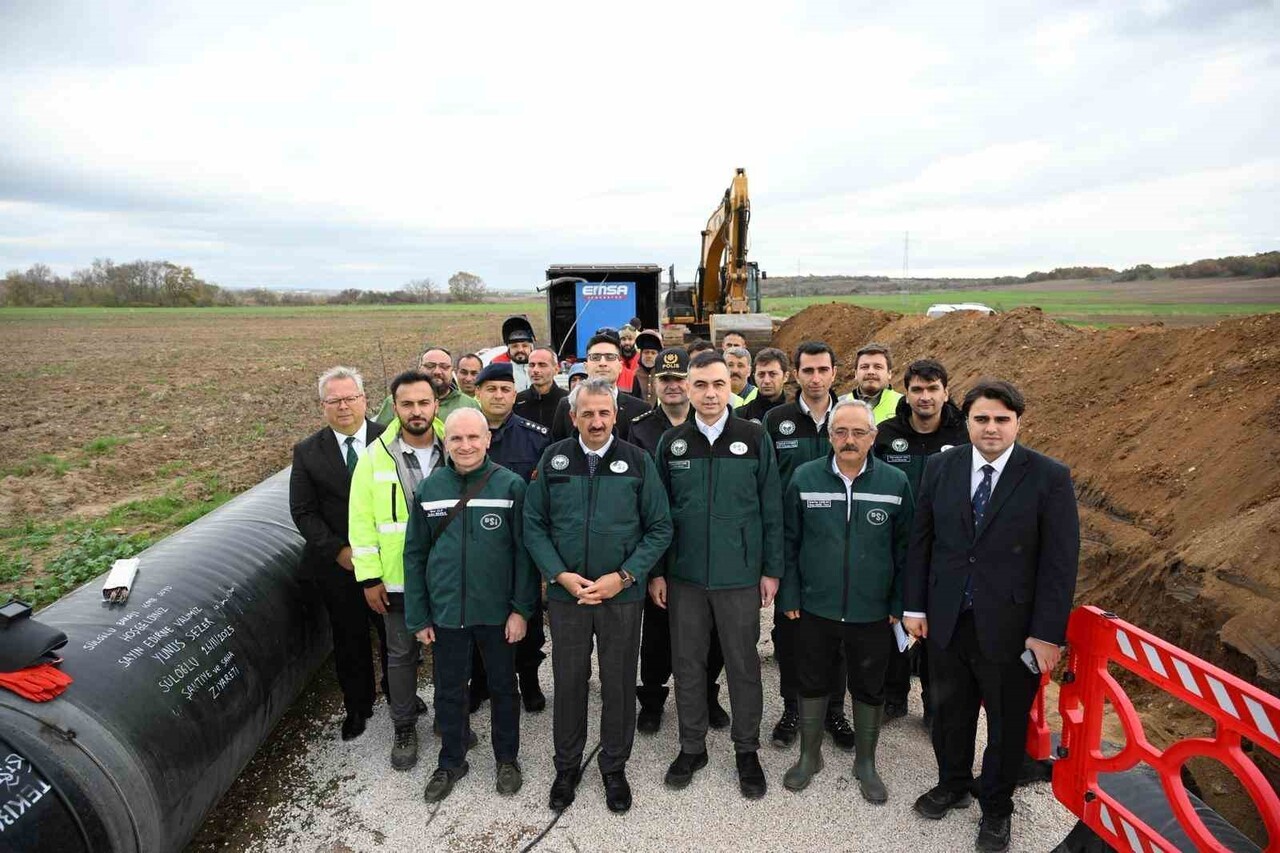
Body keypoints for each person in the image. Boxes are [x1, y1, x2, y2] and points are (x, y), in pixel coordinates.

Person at [903, 379, 1079, 852]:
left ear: (1018, 422)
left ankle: (997, 809)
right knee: (949, 712)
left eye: (1002, 419)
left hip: (1012, 630)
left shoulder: (1048, 477)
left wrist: (1046, 634)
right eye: (982, 418)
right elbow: (921, 541)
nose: (992, 428)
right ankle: (953, 783)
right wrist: (915, 607)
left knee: (1006, 723)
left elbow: (1060, 563)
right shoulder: (942, 467)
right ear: (969, 421)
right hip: (947, 620)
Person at [524, 378, 673, 813]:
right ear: (573, 417)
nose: (596, 421)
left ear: (616, 415)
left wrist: (624, 576)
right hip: (568, 597)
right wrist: (559, 576)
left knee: (619, 682)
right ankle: (567, 766)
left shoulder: (638, 461)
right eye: (586, 413)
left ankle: (613, 767)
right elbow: (534, 524)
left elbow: (660, 527)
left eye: (604, 412)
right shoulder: (553, 460)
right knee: (569, 682)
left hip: (620, 598)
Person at [652, 350, 783, 800]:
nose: (710, 393)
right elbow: (658, 516)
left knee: (744, 666)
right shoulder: (672, 443)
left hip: (739, 577)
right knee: (688, 665)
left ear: (732, 387)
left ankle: (746, 750)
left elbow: (771, 507)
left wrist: (771, 569)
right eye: (701, 385)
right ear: (687, 388)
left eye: (718, 385)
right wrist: (657, 573)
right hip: (685, 578)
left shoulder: (754, 436)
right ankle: (692, 747)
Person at [779, 399, 914, 802]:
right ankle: (809, 755)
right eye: (841, 431)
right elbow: (788, 541)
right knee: (812, 679)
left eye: (859, 432)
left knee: (870, 686)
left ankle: (866, 762)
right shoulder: (804, 477)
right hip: (815, 606)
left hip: (872, 611)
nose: (849, 439)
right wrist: (789, 592)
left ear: (873, 437)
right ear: (830, 436)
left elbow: (906, 551)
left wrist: (898, 604)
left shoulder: (894, 483)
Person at [404, 408, 538, 803]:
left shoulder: (511, 486)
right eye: (457, 439)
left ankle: (507, 758)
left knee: (502, 687)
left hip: (497, 613)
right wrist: (419, 614)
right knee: (448, 689)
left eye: (473, 438)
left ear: (487, 440)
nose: (465, 446)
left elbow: (524, 556)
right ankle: (451, 761)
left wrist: (521, 609)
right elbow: (414, 555)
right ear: (446, 443)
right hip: (446, 613)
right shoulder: (430, 489)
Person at [628, 347, 730, 735]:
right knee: (656, 635)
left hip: (705, 551)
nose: (672, 386)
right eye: (665, 379)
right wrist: (653, 567)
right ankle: (652, 699)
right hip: (659, 548)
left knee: (712, 633)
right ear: (655, 383)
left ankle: (706, 693)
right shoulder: (637, 427)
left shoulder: (714, 426)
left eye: (678, 378)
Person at [349, 370, 444, 770]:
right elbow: (362, 521)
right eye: (407, 404)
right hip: (398, 578)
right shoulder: (374, 458)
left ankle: (448, 716)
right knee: (401, 654)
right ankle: (404, 725)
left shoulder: (456, 446)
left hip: (448, 577)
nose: (416, 411)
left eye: (424, 403)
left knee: (450, 650)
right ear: (394, 407)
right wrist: (370, 577)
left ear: (436, 404)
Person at [761, 342, 854, 750]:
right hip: (790, 543)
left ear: (835, 373)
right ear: (794, 374)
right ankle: (792, 707)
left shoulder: (850, 419)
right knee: (791, 631)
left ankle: (835, 709)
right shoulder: (775, 420)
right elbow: (764, 484)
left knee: (838, 630)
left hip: (839, 543)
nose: (815, 378)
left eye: (822, 370)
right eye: (807, 370)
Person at [289, 366, 390, 741]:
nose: (343, 406)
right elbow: (303, 511)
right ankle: (358, 706)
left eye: (350, 398)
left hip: (386, 561)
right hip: (338, 566)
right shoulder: (307, 452)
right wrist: (339, 550)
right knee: (349, 637)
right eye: (335, 400)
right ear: (322, 406)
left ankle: (399, 694)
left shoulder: (388, 440)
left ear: (365, 400)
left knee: (392, 633)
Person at [873, 358, 968, 724]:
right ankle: (893, 697)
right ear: (906, 392)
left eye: (932, 389)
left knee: (938, 631)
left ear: (945, 392)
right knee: (893, 623)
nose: (924, 396)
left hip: (946, 552)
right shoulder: (885, 434)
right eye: (917, 389)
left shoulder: (962, 437)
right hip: (895, 546)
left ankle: (934, 705)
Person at [471, 361, 550, 714]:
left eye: (505, 389)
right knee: (477, 621)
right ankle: (482, 682)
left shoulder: (536, 437)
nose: (499, 395)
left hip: (522, 549)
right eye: (491, 389)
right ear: (478, 394)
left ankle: (528, 681)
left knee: (528, 623)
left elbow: (545, 499)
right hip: (477, 549)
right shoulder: (462, 436)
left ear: (514, 394)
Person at [550, 332, 647, 442]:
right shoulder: (566, 405)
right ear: (586, 367)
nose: (602, 363)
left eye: (610, 357)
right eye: (595, 357)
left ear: (620, 366)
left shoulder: (640, 409)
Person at [843, 343, 904, 425]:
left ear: (889, 373)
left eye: (878, 367)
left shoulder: (905, 405)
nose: (870, 372)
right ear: (856, 373)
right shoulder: (839, 404)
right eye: (864, 367)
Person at [419, 346, 482, 424]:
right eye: (430, 366)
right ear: (419, 369)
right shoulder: (404, 402)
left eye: (444, 367)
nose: (437, 371)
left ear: (452, 371)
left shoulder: (469, 405)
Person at [513, 345, 567, 430]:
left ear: (556, 369)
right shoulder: (517, 401)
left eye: (542, 365)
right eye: (531, 365)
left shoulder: (568, 400)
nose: (535, 370)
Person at [736, 347, 789, 423]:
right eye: (761, 374)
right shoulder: (740, 416)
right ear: (754, 377)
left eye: (772, 374)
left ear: (785, 377)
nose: (766, 381)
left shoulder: (798, 415)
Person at [490, 315, 536, 391]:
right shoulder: (497, 366)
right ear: (508, 349)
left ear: (531, 348)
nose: (520, 350)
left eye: (525, 346)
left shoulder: (542, 365)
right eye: (515, 346)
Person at [629, 329, 663, 404]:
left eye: (653, 353)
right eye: (646, 352)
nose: (649, 356)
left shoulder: (662, 375)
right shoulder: (633, 375)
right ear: (641, 354)